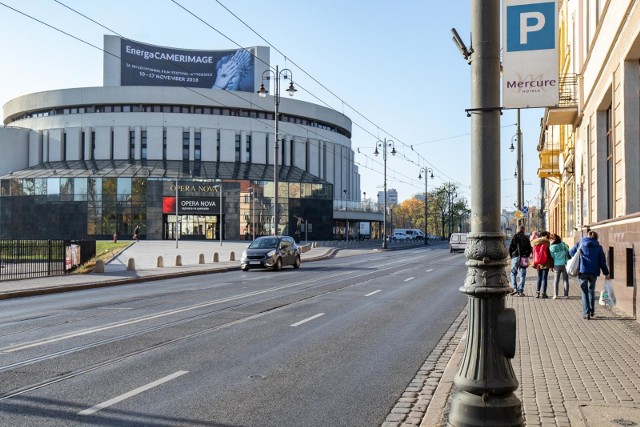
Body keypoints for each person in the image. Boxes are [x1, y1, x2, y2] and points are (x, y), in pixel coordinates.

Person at [569, 230, 610, 320]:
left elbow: (571, 253)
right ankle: (592, 310)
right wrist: (606, 273)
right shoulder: (598, 247)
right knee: (591, 290)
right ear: (596, 238)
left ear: (587, 236)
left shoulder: (580, 244)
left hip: (583, 271)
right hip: (593, 272)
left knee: (584, 292)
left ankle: (586, 313)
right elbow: (602, 261)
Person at [508, 225, 532, 296]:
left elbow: (510, 247)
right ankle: (521, 290)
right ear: (523, 230)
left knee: (513, 273)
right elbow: (530, 249)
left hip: (515, 257)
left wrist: (512, 256)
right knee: (522, 274)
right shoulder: (526, 238)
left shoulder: (514, 237)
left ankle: (515, 288)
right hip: (523, 257)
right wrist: (526, 255)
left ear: (517, 230)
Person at [532, 231, 553, 298]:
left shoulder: (535, 243)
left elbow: (534, 254)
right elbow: (549, 254)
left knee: (539, 278)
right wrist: (552, 264)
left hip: (538, 263)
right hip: (546, 263)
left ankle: (537, 293)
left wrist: (534, 262)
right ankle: (544, 293)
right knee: (544, 278)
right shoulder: (547, 243)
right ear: (546, 236)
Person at [549, 233, 570, 299]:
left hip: (557, 265)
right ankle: (566, 295)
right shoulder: (563, 244)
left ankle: (555, 295)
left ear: (552, 239)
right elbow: (567, 251)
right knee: (565, 280)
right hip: (565, 264)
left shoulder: (551, 247)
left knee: (556, 280)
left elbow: (552, 256)